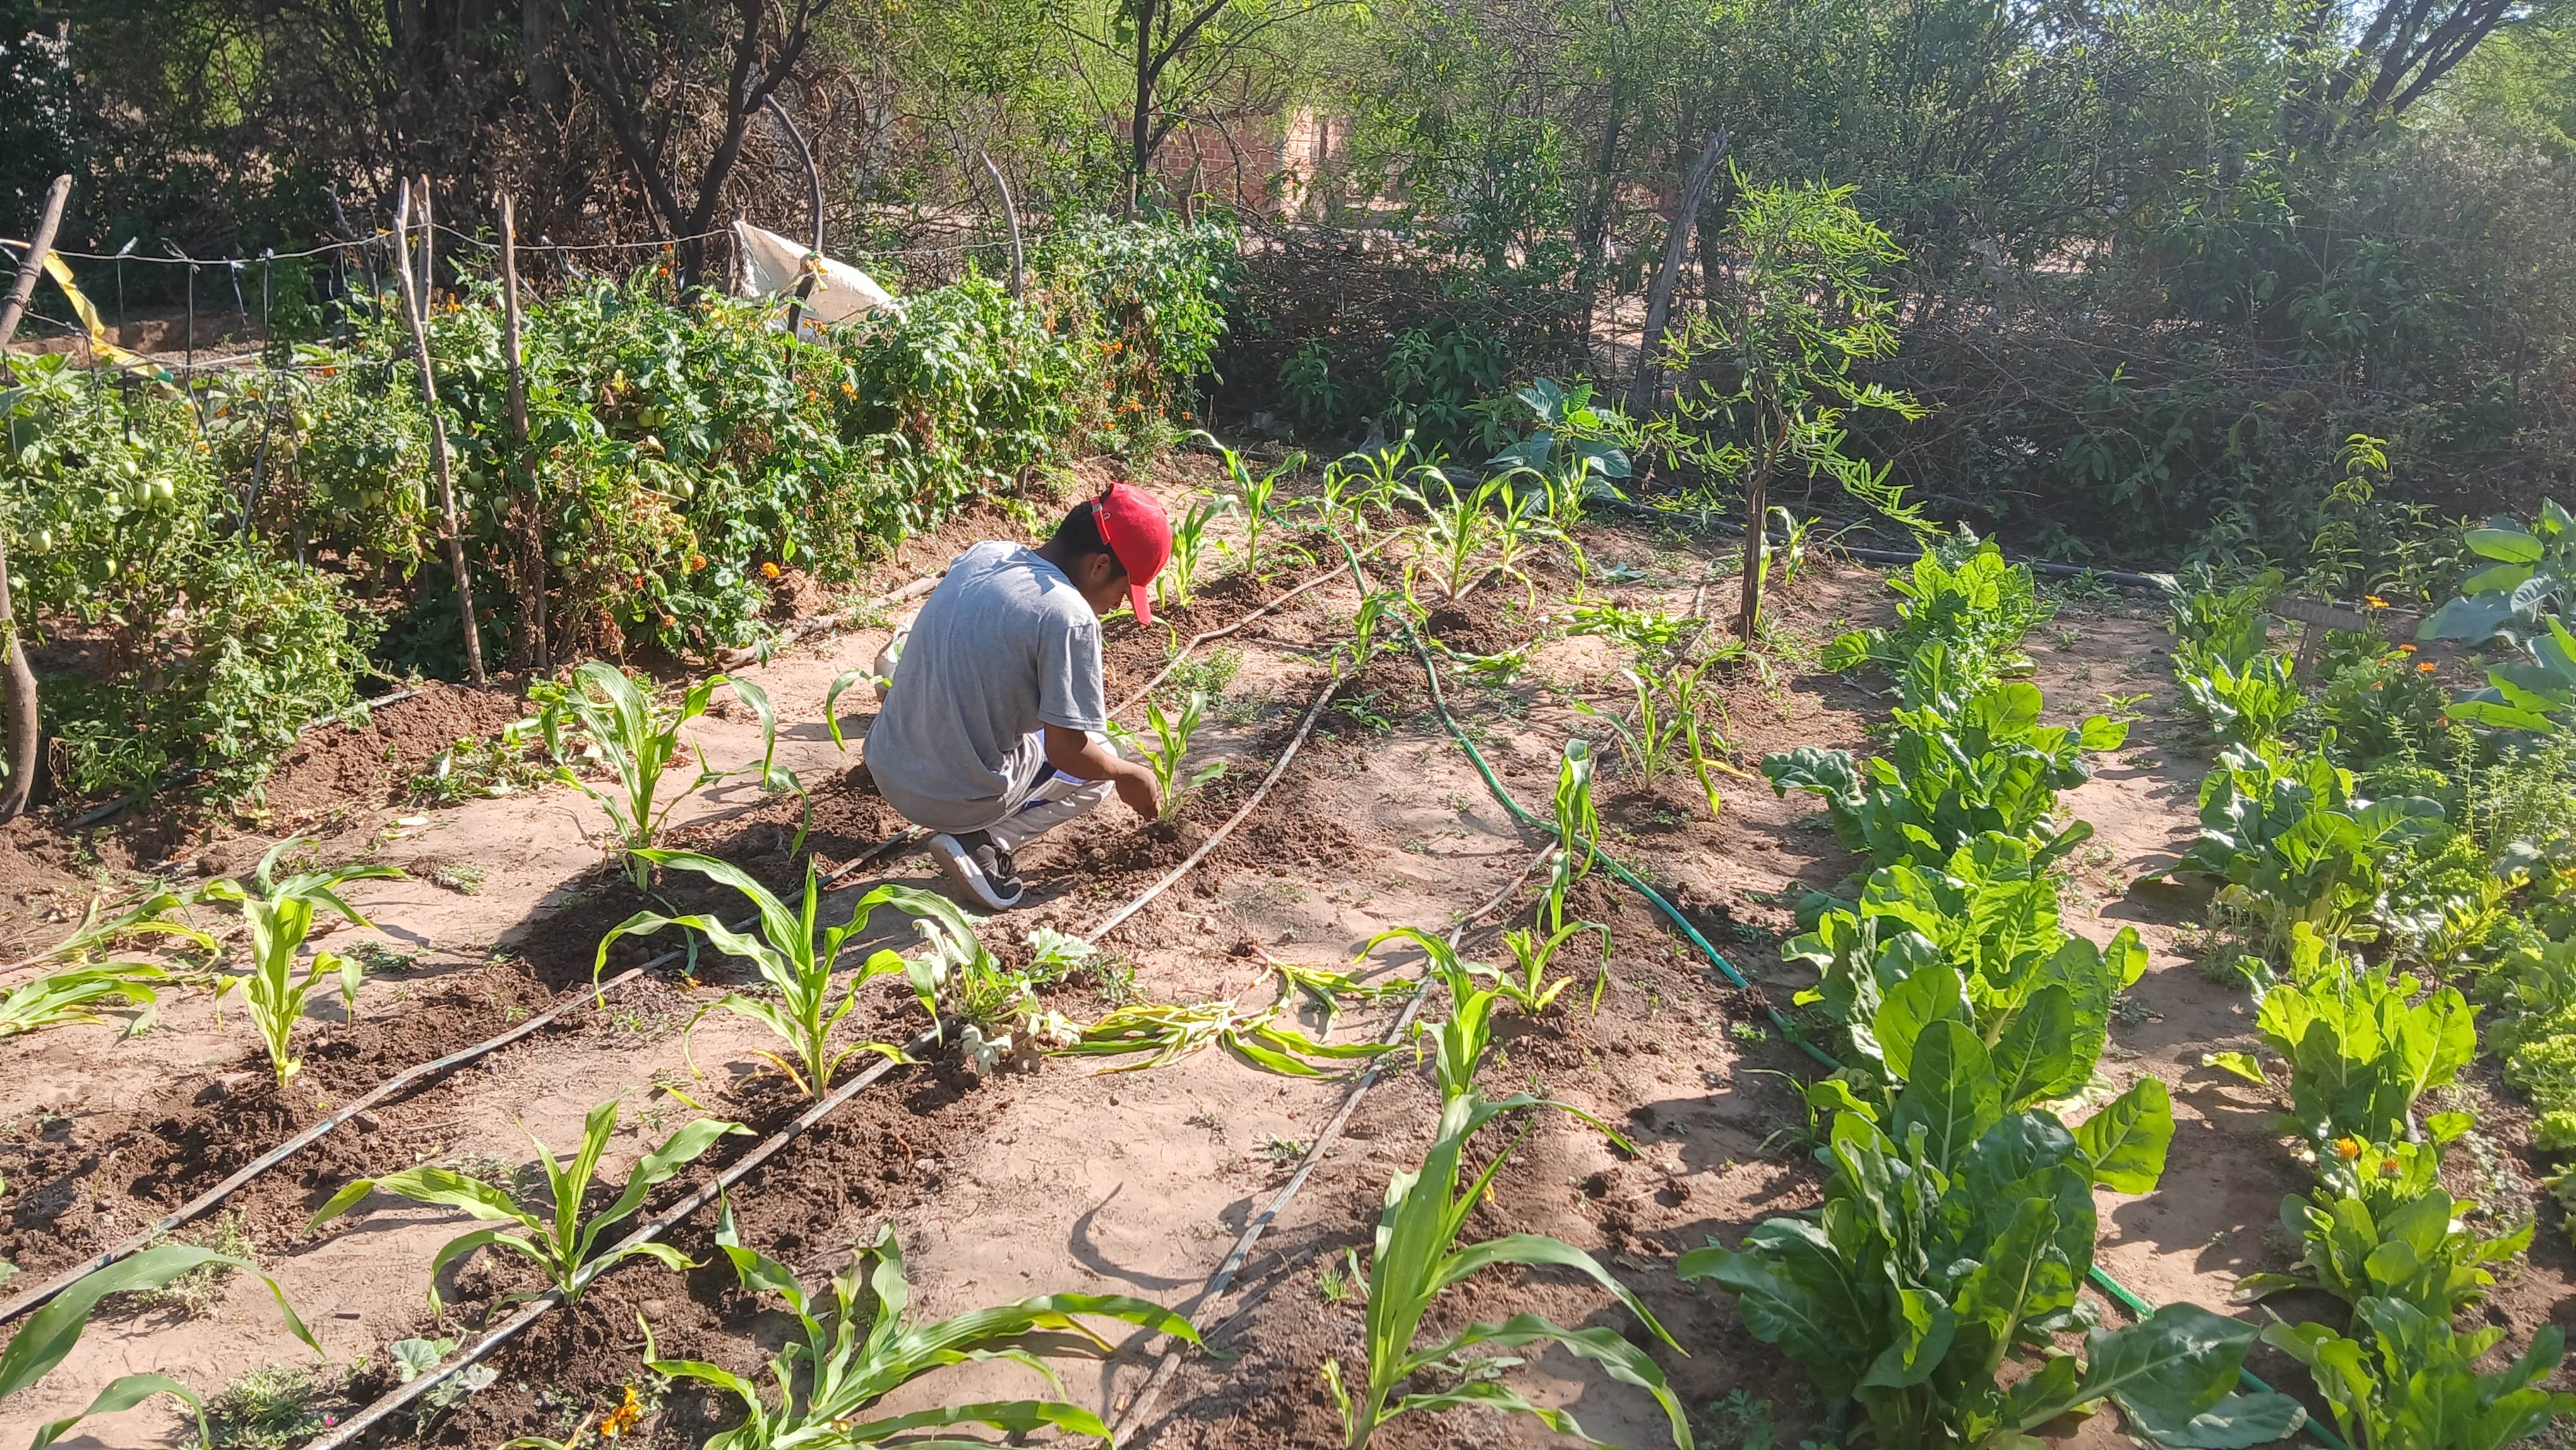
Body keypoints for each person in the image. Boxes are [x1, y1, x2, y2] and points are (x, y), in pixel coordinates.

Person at [862, 482, 1172, 909]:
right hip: (943, 795)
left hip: (886, 759)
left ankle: (970, 822)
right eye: (1121, 595)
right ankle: (983, 843)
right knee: (1099, 758)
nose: (1113, 607)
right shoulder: (1069, 616)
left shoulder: (986, 554)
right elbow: (1069, 753)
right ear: (1100, 566)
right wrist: (1126, 775)